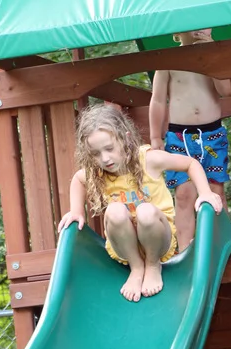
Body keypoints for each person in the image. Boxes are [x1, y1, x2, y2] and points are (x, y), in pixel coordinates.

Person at [58, 103, 222, 302]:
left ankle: (152, 265)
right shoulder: (98, 172)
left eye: (109, 148)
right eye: (96, 153)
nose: (105, 158)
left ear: (126, 138)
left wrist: (205, 192)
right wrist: (76, 211)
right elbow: (78, 179)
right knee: (114, 210)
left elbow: (190, 163)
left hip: (159, 240)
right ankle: (136, 267)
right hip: (124, 246)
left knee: (146, 211)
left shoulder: (148, 160)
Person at [149, 28, 231, 254]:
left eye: (206, 24)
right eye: (195, 23)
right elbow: (158, 100)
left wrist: (212, 53)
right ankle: (185, 249)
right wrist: (155, 136)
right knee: (184, 194)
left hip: (212, 135)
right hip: (179, 137)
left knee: (215, 190)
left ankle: (221, 244)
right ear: (176, 30)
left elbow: (226, 89)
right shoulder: (168, 60)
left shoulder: (214, 56)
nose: (200, 28)